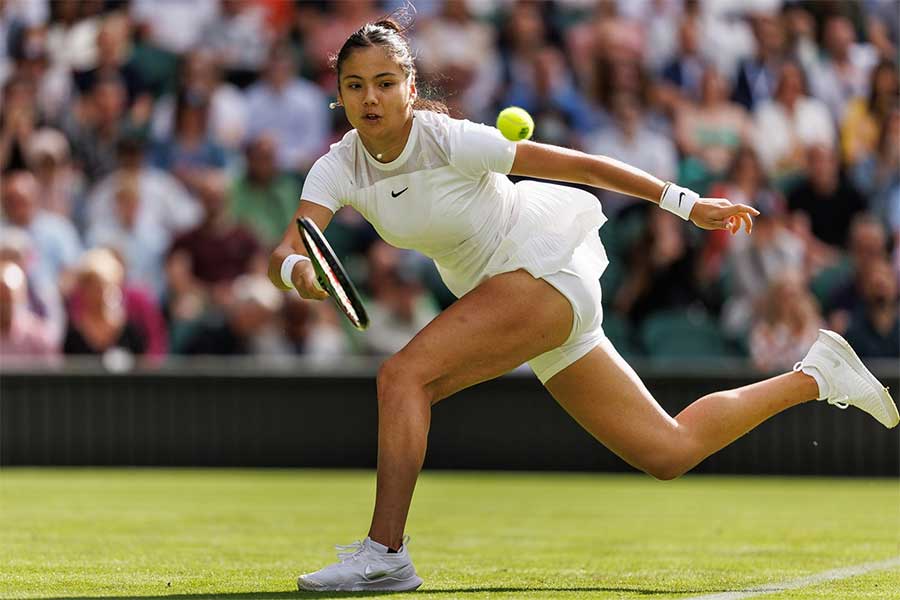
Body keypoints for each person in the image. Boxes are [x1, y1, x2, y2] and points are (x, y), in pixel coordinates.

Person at [267, 19, 899, 593]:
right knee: (668, 451)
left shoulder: (450, 140)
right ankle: (818, 375)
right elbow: (288, 249)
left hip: (541, 268)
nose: (369, 98)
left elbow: (583, 165)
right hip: (514, 303)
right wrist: (301, 273)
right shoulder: (338, 165)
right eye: (355, 86)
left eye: (383, 82)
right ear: (340, 94)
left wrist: (686, 203)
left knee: (402, 376)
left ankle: (385, 552)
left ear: (409, 86)